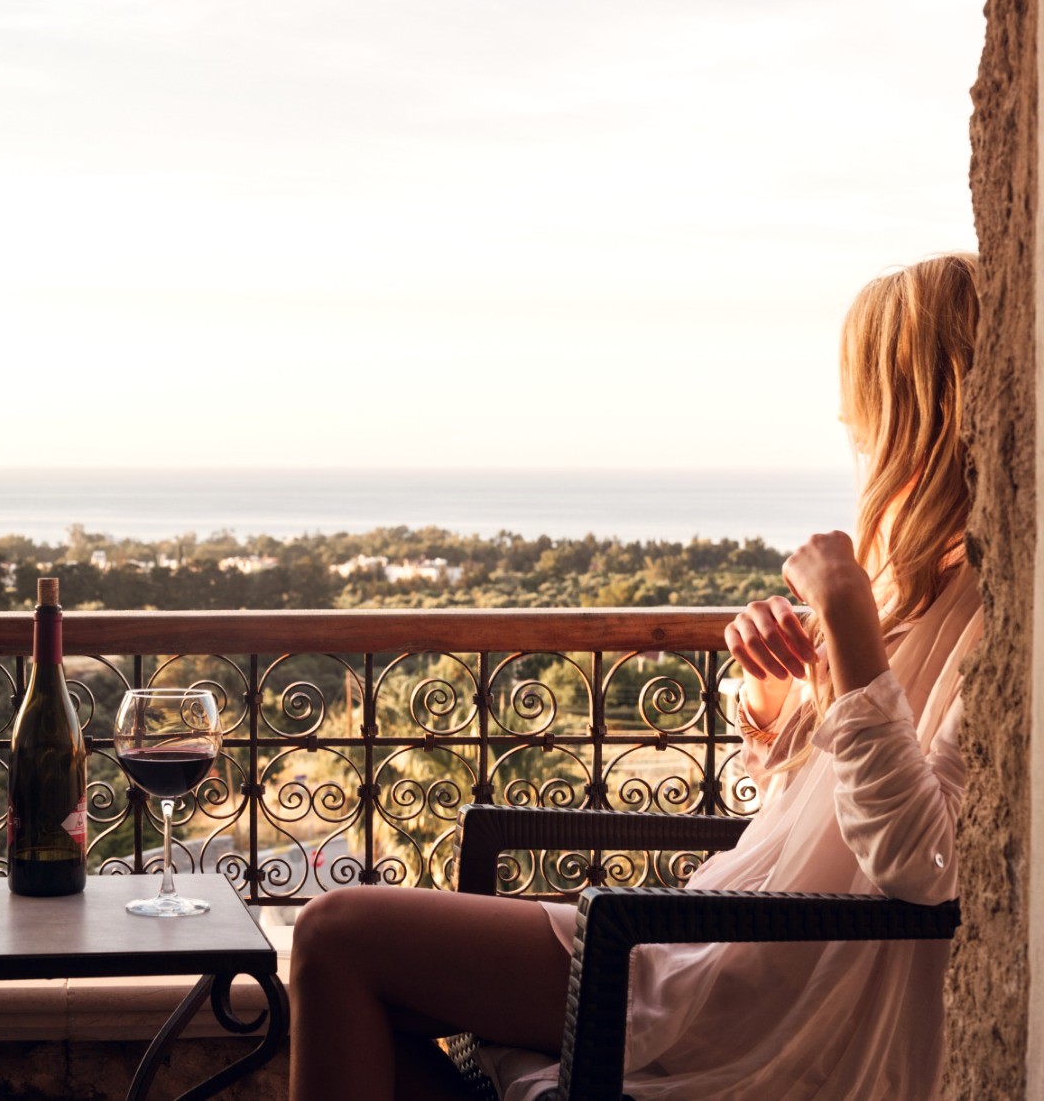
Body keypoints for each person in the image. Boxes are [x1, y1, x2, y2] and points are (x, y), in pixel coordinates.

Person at [287, 252, 983, 1101]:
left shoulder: (994, 622)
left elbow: (920, 862)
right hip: (717, 932)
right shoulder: (907, 585)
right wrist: (774, 702)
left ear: (917, 410)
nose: (854, 434)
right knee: (360, 981)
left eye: (864, 412)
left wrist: (844, 613)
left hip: (768, 985)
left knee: (336, 933)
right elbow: (818, 815)